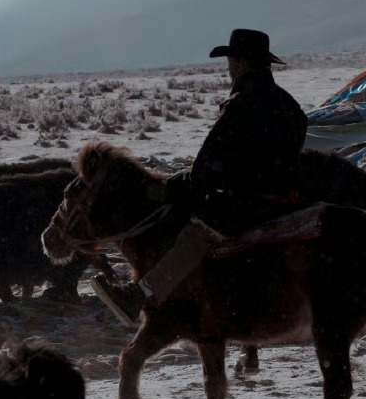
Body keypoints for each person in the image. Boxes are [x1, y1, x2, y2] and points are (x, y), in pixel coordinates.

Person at [92, 29, 310, 324]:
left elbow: (208, 163)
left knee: (196, 233)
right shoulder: (290, 105)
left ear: (241, 63)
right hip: (283, 198)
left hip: (247, 201)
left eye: (231, 60)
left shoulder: (242, 104)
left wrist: (181, 184)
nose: (229, 67)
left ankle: (140, 295)